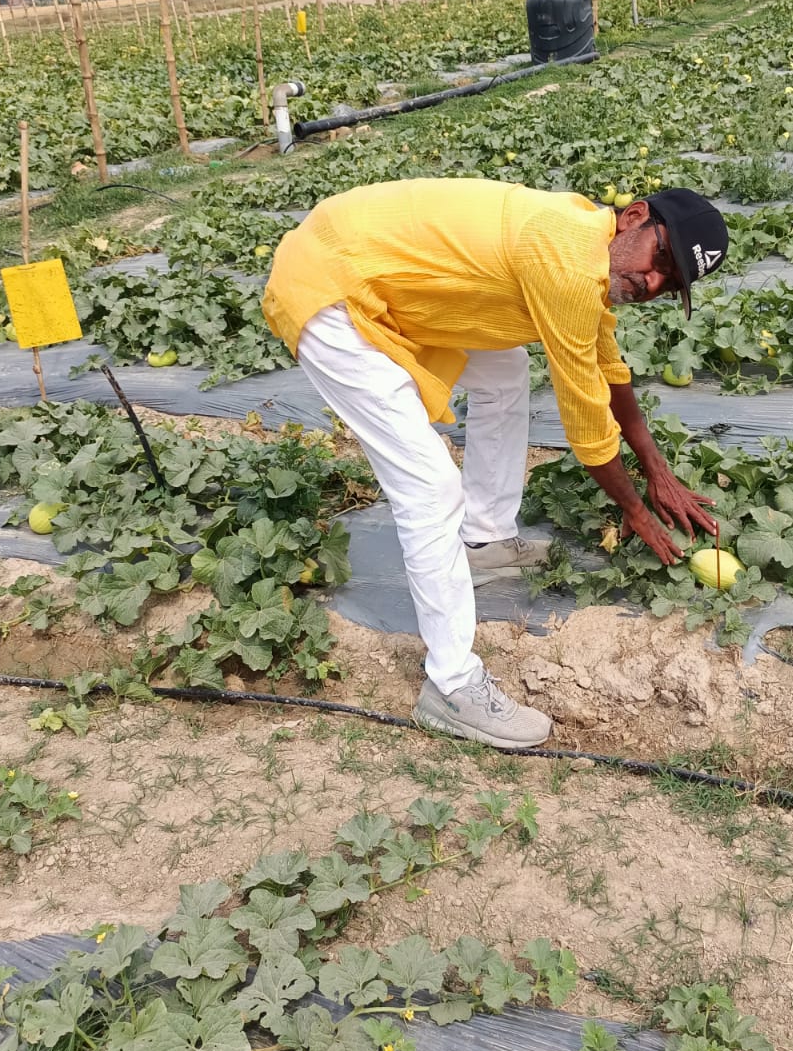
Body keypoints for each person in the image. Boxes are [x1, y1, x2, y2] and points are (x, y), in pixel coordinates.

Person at [262, 178, 729, 750]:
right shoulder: (565, 261)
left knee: (504, 371)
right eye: (662, 258)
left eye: (670, 284)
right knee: (430, 491)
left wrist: (658, 473)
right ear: (634, 218)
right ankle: (451, 686)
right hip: (330, 284)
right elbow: (587, 420)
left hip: (382, 272)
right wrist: (633, 507)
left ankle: (483, 542)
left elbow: (610, 373)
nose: (653, 281)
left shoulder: (589, 249)